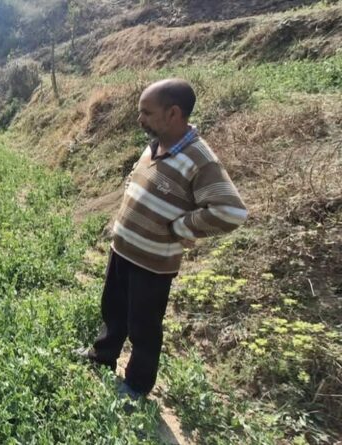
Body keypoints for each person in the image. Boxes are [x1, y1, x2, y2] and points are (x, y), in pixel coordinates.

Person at [82, 78, 248, 403]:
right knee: (113, 309)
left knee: (144, 327)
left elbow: (231, 211)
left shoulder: (200, 159)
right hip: (124, 250)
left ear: (173, 113)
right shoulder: (155, 144)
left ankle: (137, 386)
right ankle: (102, 356)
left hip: (154, 262)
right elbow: (137, 184)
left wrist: (181, 228)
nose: (139, 119)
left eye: (146, 112)